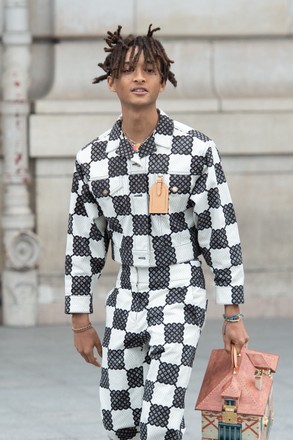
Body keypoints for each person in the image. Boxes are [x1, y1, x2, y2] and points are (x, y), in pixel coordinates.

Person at [65, 24, 249, 440]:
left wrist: (232, 313)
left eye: (150, 70)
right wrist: (80, 320)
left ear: (163, 80)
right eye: (128, 70)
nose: (139, 78)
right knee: (120, 421)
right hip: (126, 293)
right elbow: (83, 241)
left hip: (181, 294)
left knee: (161, 419)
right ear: (111, 81)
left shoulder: (196, 150)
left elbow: (221, 233)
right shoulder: (92, 159)